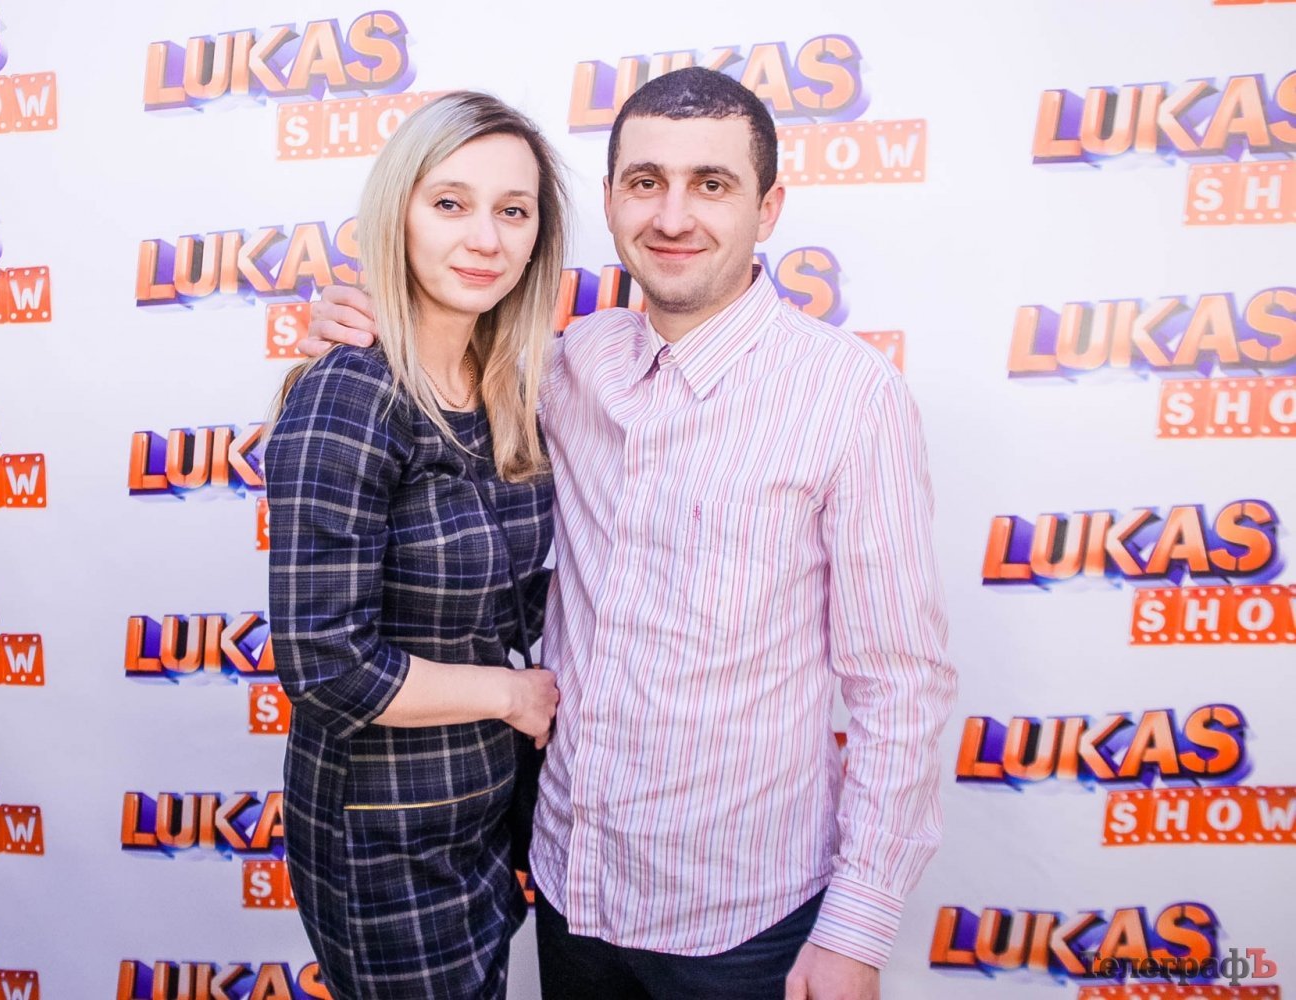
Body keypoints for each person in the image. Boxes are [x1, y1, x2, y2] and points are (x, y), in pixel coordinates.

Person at [305, 68, 956, 1000]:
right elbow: (433, 371)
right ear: (610, 200)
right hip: (570, 888)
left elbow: (899, 685)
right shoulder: (568, 366)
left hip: (744, 920)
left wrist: (857, 927)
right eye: (646, 182)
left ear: (769, 208)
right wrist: (358, 320)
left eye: (712, 184)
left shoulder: (850, 398)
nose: (673, 216)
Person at [264, 91, 570, 999]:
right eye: (450, 203)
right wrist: (512, 694)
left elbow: (509, 596)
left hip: (481, 814)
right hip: (382, 835)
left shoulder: (500, 385)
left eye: (513, 211)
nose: (485, 238)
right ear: (395, 213)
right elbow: (325, 665)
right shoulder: (353, 391)